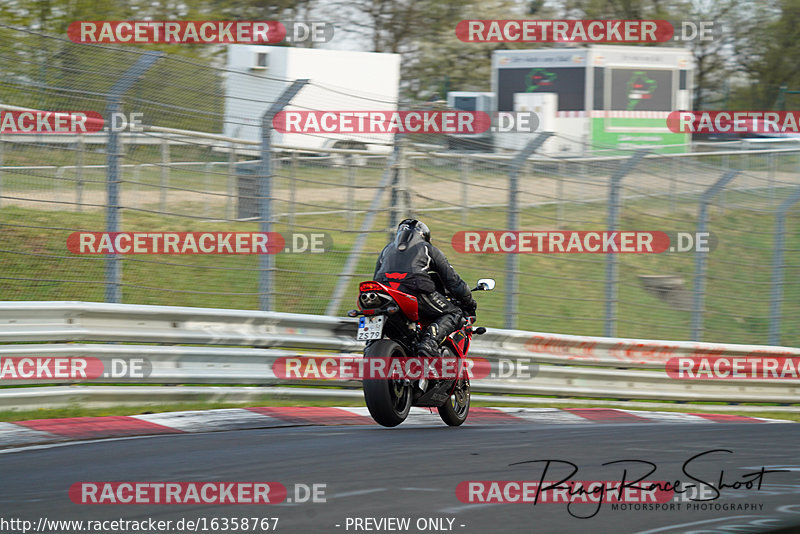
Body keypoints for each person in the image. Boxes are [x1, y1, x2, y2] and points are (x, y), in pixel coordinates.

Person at [373, 219, 477, 358]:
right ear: (425, 236)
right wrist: (469, 303)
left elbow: (376, 277)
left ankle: (371, 345)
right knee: (454, 313)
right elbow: (453, 281)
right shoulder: (428, 249)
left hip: (383, 291)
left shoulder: (386, 250)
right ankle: (430, 342)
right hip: (414, 289)